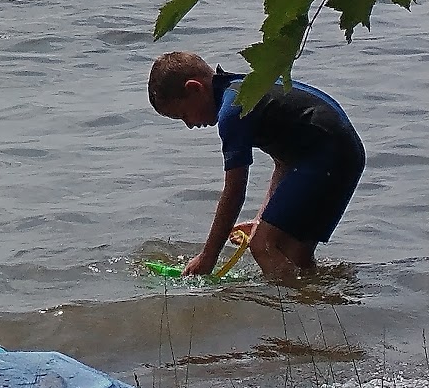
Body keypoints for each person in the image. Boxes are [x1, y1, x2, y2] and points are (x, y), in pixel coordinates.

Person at [147, 50, 365, 283]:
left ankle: (291, 309)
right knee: (294, 255)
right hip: (342, 151)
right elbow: (283, 160)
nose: (189, 124)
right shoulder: (245, 89)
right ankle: (319, 306)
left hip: (328, 154)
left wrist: (208, 257)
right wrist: (262, 219)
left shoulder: (233, 111)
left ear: (195, 88)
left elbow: (234, 192)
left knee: (264, 246)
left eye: (183, 114)